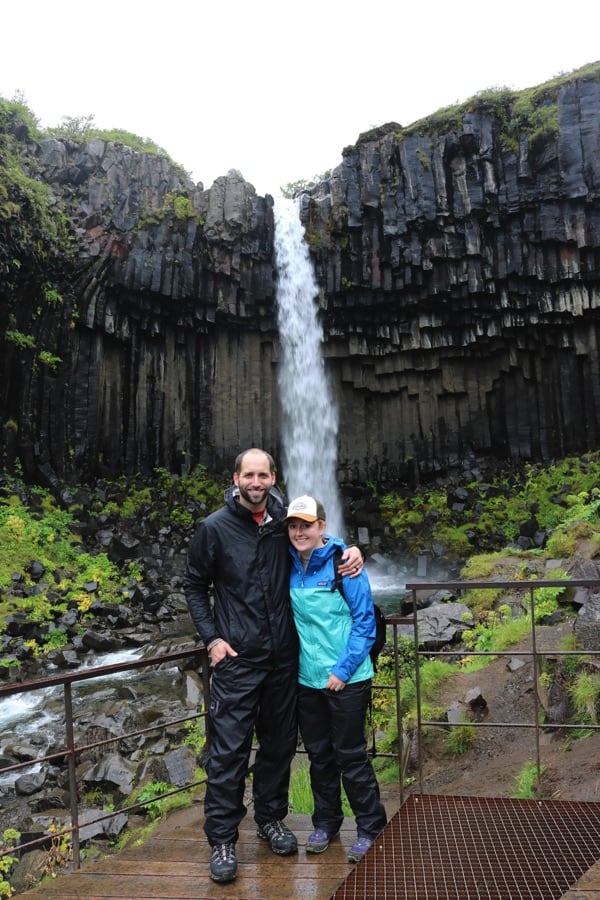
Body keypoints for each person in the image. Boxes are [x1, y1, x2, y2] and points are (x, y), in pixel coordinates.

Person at [183, 449, 364, 884]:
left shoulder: (286, 522)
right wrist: (213, 639)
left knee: (279, 747)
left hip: (284, 660)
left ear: (272, 477)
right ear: (237, 478)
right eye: (250, 475)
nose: (257, 482)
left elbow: (317, 542)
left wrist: (351, 549)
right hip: (238, 661)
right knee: (228, 753)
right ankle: (223, 840)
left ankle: (270, 819)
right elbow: (193, 584)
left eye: (263, 474)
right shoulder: (215, 528)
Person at [284, 494, 388, 864]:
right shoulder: (286, 562)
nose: (299, 532)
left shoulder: (345, 564)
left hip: (347, 677)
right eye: (293, 525)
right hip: (307, 678)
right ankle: (326, 823)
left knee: (350, 755)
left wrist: (341, 671)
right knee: (319, 756)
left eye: (306, 525)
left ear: (321, 527)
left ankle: (370, 827)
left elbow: (365, 623)